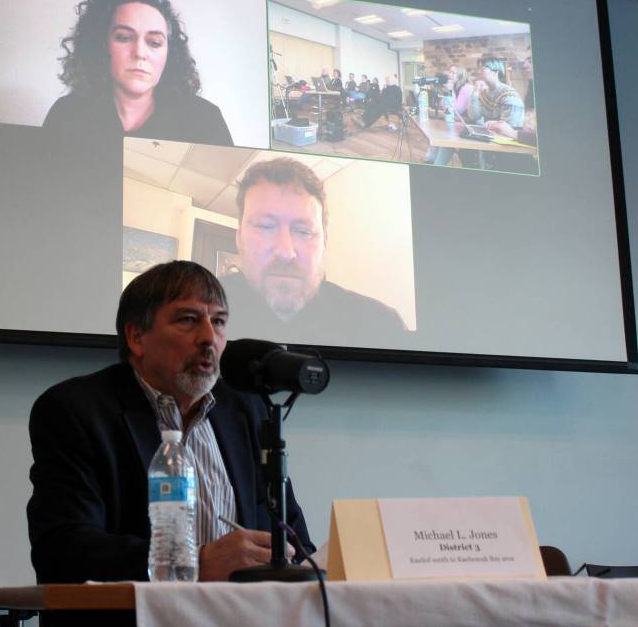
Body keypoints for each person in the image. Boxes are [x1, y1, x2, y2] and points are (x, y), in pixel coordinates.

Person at [27, 262, 314, 596]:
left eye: (218, 321)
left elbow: (295, 538)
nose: (209, 337)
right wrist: (194, 564)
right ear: (136, 337)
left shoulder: (246, 409)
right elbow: (62, 552)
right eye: (188, 320)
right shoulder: (78, 410)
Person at [222, 157, 407, 341]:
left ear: (325, 241)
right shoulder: (198, 311)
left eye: (304, 231)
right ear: (239, 238)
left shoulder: (382, 327)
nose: (286, 253)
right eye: (265, 226)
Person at [42, 0, 233, 147]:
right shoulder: (67, 114)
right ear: (102, 44)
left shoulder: (205, 120)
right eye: (124, 38)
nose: (140, 53)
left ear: (169, 54)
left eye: (154, 42)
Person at [424, 66, 474, 166]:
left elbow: (456, 110)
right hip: (458, 124)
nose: (450, 75)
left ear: (460, 76)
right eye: (449, 72)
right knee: (438, 136)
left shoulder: (466, 88)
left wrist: (450, 92)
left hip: (470, 127)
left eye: (453, 73)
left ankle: (437, 166)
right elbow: (444, 107)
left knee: (445, 141)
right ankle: (432, 160)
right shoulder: (454, 88)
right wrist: (447, 91)